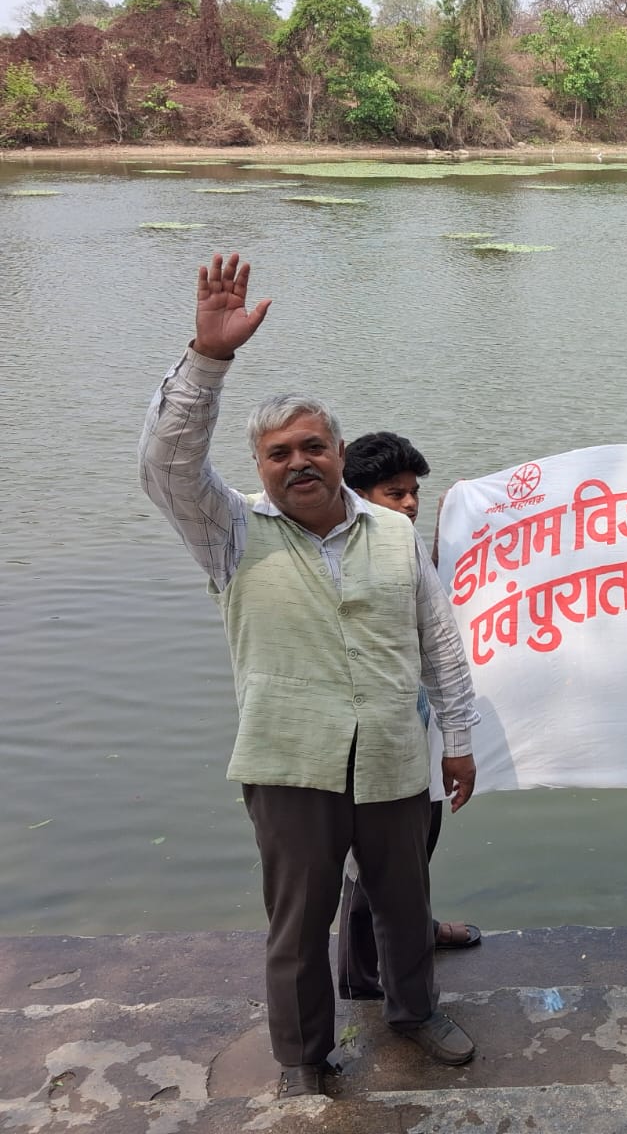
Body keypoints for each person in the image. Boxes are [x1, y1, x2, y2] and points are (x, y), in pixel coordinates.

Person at [139, 254, 483, 1099]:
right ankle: (304, 1058)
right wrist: (208, 360)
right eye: (277, 453)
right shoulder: (230, 534)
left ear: (338, 453)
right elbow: (167, 465)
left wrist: (461, 739)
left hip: (397, 759)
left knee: (405, 905)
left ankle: (414, 1013)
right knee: (297, 924)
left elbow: (439, 643)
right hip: (290, 762)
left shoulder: (395, 534)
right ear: (257, 467)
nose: (298, 462)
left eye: (312, 447)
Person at [337, 433, 482, 1007]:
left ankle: (413, 934)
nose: (410, 505)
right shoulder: (342, 557)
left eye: (414, 493)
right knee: (369, 861)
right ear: (358, 496)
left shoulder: (405, 548)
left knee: (418, 842)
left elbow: (436, 620)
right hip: (366, 735)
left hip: (413, 727)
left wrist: (459, 530)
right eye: (395, 494)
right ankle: (363, 972)